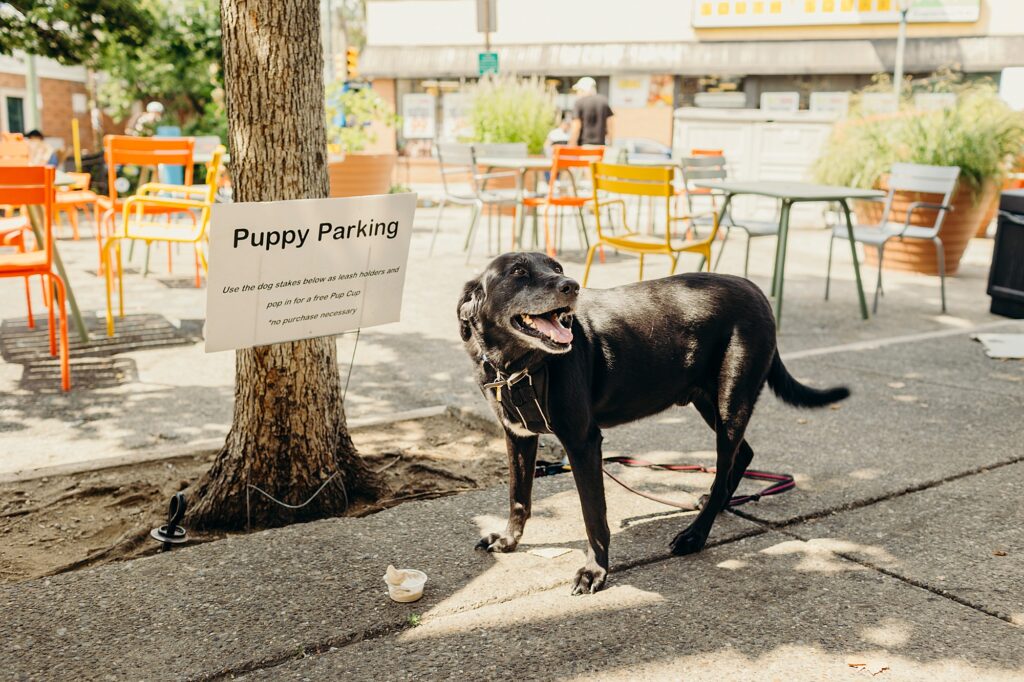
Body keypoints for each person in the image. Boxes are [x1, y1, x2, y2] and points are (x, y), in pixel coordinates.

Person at [569, 77, 614, 147]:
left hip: (584, 146)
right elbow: (610, 125)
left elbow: (576, 127)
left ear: (583, 89)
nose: (578, 93)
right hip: (600, 147)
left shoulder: (579, 102)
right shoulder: (604, 101)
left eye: (579, 90)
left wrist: (571, 144)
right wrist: (610, 143)